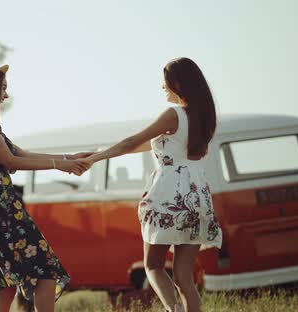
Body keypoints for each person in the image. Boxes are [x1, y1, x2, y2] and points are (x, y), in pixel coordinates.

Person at [81, 57, 223, 312]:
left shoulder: (173, 114)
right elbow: (142, 146)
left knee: (153, 266)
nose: (162, 87)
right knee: (184, 277)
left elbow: (131, 141)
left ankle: (174, 310)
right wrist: (100, 151)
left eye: (165, 82)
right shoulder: (203, 117)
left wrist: (93, 159)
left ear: (177, 83)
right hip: (197, 194)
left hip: (171, 192)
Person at [0, 62, 91, 312]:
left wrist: (69, 158)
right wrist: (58, 166)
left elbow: (22, 153)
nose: (6, 95)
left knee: (7, 287)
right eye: (3, 89)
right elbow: (10, 161)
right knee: (45, 270)